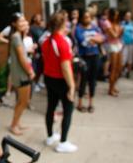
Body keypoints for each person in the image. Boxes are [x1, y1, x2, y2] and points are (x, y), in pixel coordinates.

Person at [41, 12, 78, 153]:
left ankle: (50, 136)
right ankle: (63, 142)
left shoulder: (47, 41)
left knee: (51, 107)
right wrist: (72, 86)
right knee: (68, 110)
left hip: (49, 78)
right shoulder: (62, 42)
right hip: (61, 80)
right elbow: (65, 67)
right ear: (63, 24)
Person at [8, 13, 35, 136]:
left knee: (21, 101)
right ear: (14, 24)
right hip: (22, 74)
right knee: (23, 102)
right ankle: (14, 125)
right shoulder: (16, 37)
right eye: (20, 21)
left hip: (21, 73)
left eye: (25, 21)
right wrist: (30, 71)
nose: (24, 23)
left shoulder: (18, 36)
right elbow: (22, 59)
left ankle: (16, 122)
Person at [74, 10, 104, 113]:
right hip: (84, 57)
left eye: (88, 17)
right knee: (83, 80)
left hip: (95, 56)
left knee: (93, 81)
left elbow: (102, 38)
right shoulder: (78, 29)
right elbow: (83, 43)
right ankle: (80, 103)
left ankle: (91, 103)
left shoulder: (95, 27)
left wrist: (92, 39)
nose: (87, 19)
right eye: (85, 17)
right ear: (81, 18)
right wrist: (95, 39)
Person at [104, 8, 124, 97]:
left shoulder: (117, 22)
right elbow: (114, 35)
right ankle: (110, 89)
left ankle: (113, 86)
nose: (117, 16)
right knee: (113, 68)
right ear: (111, 15)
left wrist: (120, 32)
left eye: (117, 14)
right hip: (112, 46)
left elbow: (118, 35)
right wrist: (121, 31)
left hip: (119, 45)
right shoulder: (107, 22)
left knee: (119, 68)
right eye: (115, 14)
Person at [29, 14, 46, 91]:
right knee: (36, 69)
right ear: (34, 19)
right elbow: (32, 40)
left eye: (40, 17)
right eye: (38, 17)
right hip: (36, 52)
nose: (40, 19)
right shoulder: (31, 28)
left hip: (42, 51)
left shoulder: (41, 28)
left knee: (41, 69)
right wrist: (35, 52)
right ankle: (34, 84)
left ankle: (37, 82)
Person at [121, 11, 133, 79]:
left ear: (131, 17)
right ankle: (122, 71)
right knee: (123, 58)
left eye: (129, 16)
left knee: (130, 58)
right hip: (124, 43)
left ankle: (128, 72)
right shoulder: (121, 23)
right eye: (126, 16)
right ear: (124, 17)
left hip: (131, 43)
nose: (128, 17)